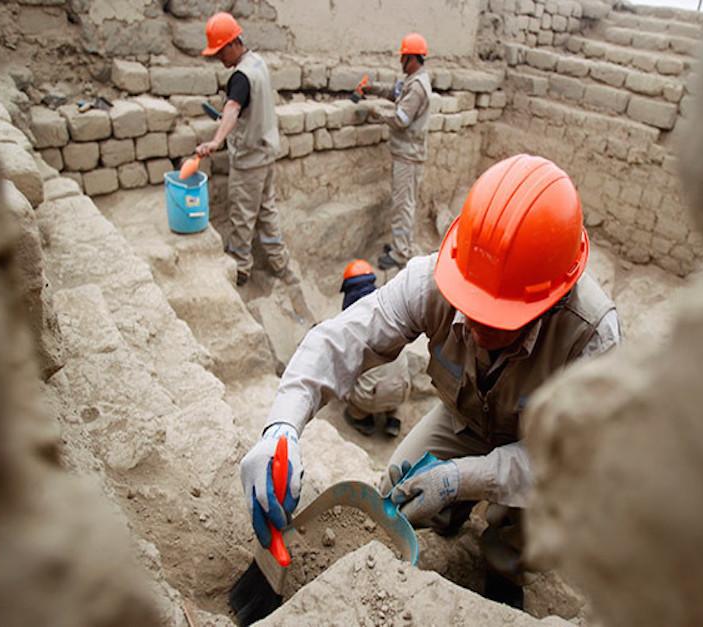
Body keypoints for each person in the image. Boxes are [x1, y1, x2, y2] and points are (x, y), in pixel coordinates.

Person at [240, 154, 621, 607]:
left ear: (551, 301)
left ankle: (503, 567)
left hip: (542, 449)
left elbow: (571, 462)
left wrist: (462, 478)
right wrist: (282, 427)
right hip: (464, 419)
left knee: (537, 520)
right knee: (395, 496)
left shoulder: (591, 337)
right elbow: (340, 340)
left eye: (498, 318)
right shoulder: (435, 279)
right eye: (471, 305)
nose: (476, 328)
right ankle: (449, 518)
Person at [195, 12, 296, 287]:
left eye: (220, 53)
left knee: (242, 216)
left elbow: (232, 108)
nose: (219, 59)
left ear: (232, 44)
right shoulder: (258, 63)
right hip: (266, 154)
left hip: (249, 160)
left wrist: (216, 141)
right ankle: (279, 262)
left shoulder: (240, 77)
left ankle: (240, 268)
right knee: (267, 210)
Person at [364, 33, 432, 271]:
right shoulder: (412, 80)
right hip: (405, 153)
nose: (400, 61)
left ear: (413, 58)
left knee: (403, 205)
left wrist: (377, 114)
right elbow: (395, 92)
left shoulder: (418, 87)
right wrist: (372, 89)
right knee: (402, 203)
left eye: (403, 57)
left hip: (409, 155)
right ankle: (399, 245)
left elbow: (402, 119)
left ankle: (401, 253)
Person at [339, 259, 411, 437]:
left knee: (344, 383)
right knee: (394, 378)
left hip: (371, 395)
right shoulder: (391, 312)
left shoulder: (352, 325)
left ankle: (362, 418)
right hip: (402, 390)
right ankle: (393, 417)